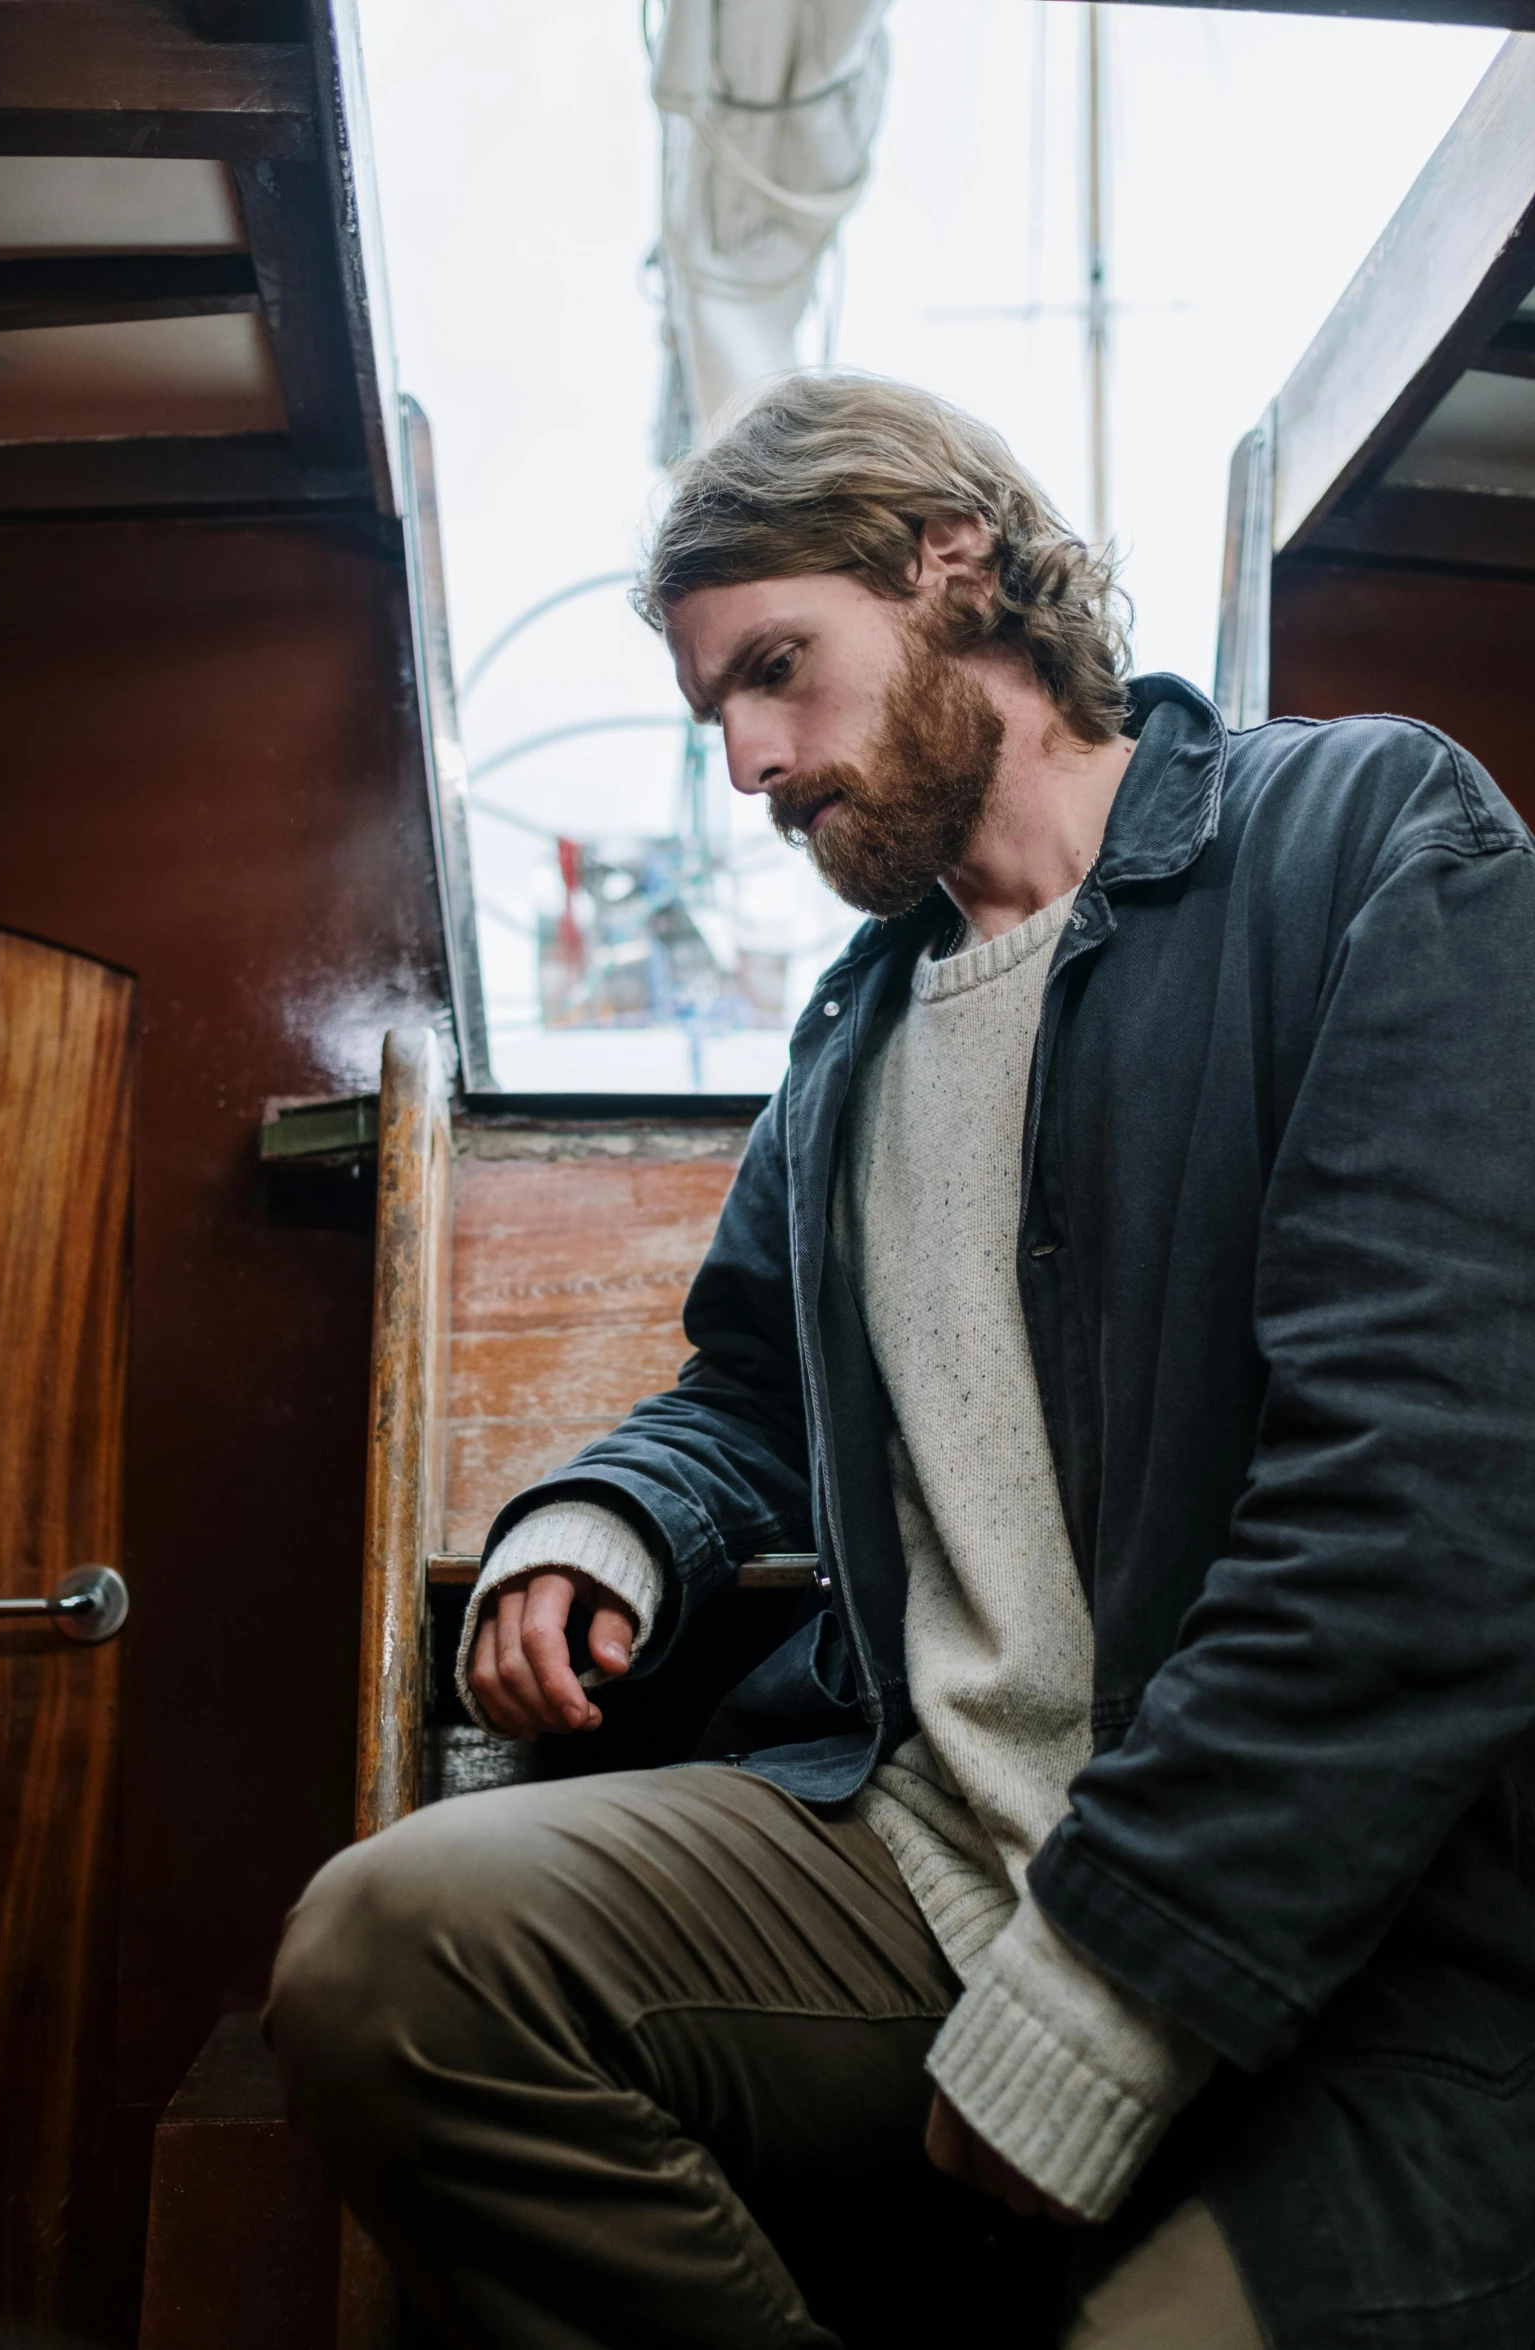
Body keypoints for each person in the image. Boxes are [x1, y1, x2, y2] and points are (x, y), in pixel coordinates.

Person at [267, 374, 1535, 2350]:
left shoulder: (1368, 841)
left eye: (779, 667)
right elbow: (755, 1392)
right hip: (921, 1852)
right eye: (718, 720)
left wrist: (1116, 1988)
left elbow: (1427, 1497)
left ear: (954, 562)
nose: (755, 761)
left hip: (1349, 1947)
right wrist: (607, 1518)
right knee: (392, 1953)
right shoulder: (850, 1044)